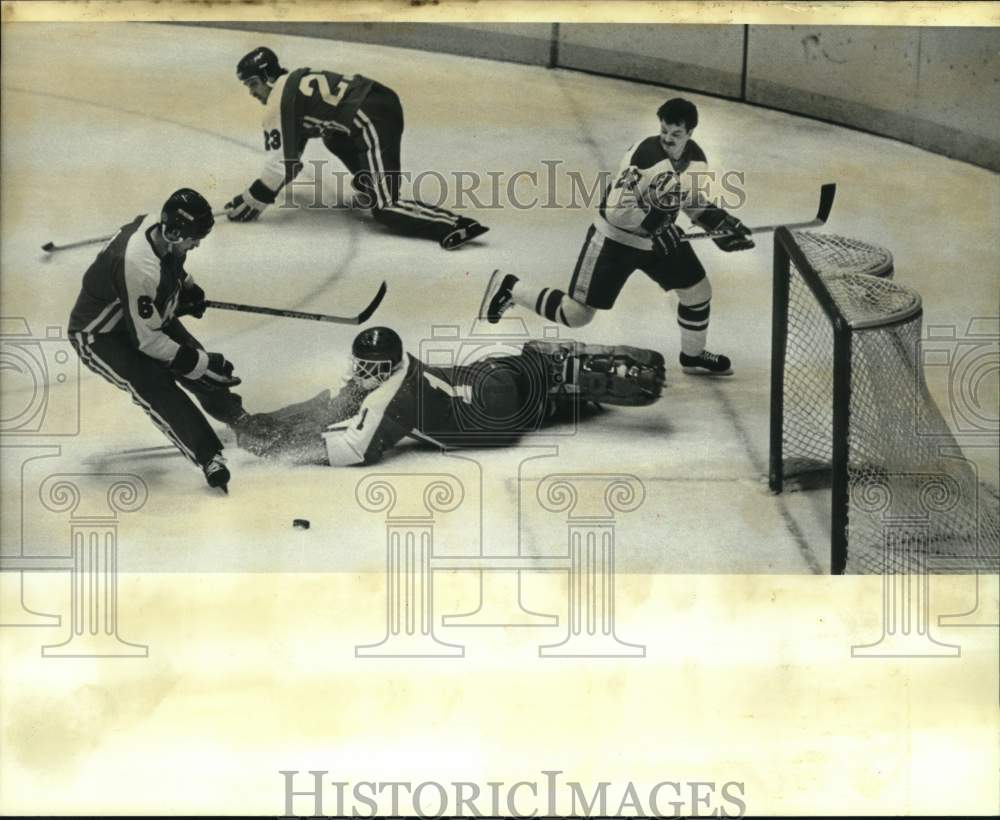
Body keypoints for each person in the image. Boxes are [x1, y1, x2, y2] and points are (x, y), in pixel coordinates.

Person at [480, 97, 754, 376]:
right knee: (576, 314)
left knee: (698, 292)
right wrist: (658, 226)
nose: (668, 139)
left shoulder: (696, 161)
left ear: (690, 133)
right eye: (664, 131)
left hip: (658, 241)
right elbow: (617, 210)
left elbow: (688, 198)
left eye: (676, 134)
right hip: (615, 243)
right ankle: (510, 288)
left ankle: (693, 356)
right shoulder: (645, 157)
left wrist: (718, 222)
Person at [232, 326, 665, 467]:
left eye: (365, 367)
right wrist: (277, 418)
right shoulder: (400, 367)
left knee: (523, 405)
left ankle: (561, 394)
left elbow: (354, 450)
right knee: (526, 370)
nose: (358, 372)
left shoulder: (392, 400)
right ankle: (564, 383)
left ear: (382, 369)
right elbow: (342, 404)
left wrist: (281, 445)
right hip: (488, 377)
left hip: (491, 420)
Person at [67, 189, 244, 492]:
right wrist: (200, 362)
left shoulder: (161, 229)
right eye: (194, 239)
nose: (197, 244)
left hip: (138, 318)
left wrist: (188, 288)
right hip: (101, 336)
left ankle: (243, 422)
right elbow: (147, 342)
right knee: (153, 382)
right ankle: (208, 457)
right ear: (174, 233)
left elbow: (170, 267)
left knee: (199, 365)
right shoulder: (135, 264)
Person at [226, 46, 489, 250]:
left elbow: (280, 166)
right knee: (331, 135)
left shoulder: (278, 102)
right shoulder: (294, 83)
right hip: (377, 102)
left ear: (268, 78)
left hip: (373, 117)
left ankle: (456, 224)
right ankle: (370, 182)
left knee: (386, 209)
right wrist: (263, 193)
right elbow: (291, 163)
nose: (252, 93)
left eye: (253, 84)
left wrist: (253, 198)